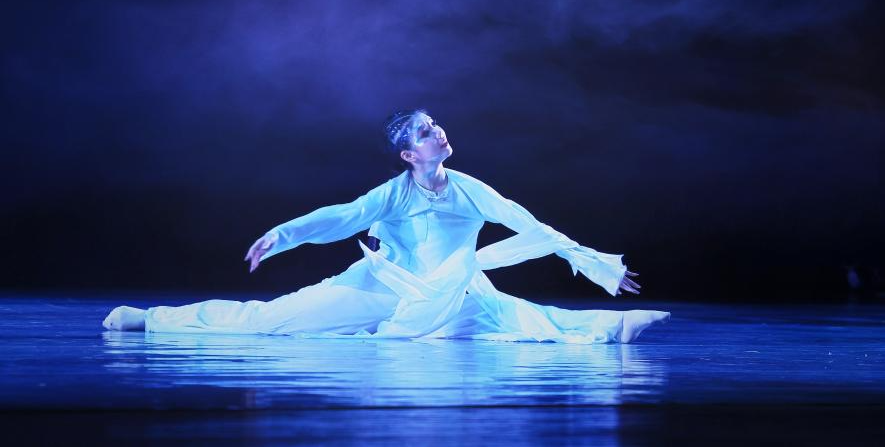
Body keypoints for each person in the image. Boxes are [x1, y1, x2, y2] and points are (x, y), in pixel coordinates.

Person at [103, 109, 670, 343]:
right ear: (408, 155)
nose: (438, 133)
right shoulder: (393, 194)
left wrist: (597, 264)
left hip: (446, 293)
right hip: (378, 288)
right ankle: (148, 319)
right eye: (425, 132)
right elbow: (343, 216)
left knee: (519, 321)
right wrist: (285, 233)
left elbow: (534, 227)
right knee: (267, 321)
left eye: (436, 126)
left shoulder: (470, 189)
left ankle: (615, 327)